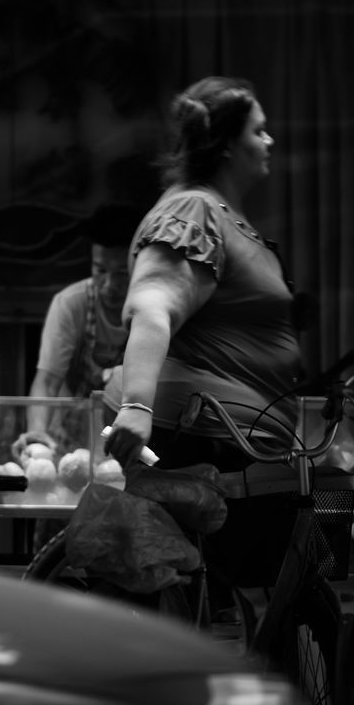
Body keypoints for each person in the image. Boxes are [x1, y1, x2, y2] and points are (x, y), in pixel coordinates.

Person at [101, 75, 309, 588]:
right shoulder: (192, 209)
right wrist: (136, 407)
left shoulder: (226, 215)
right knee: (222, 605)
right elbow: (153, 306)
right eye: (258, 131)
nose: (269, 141)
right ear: (226, 147)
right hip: (206, 447)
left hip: (242, 446)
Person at [14, 203, 142, 456]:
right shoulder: (71, 303)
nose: (108, 285)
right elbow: (48, 381)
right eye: (100, 270)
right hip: (68, 439)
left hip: (125, 439)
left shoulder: (147, 311)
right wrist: (38, 433)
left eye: (121, 274)